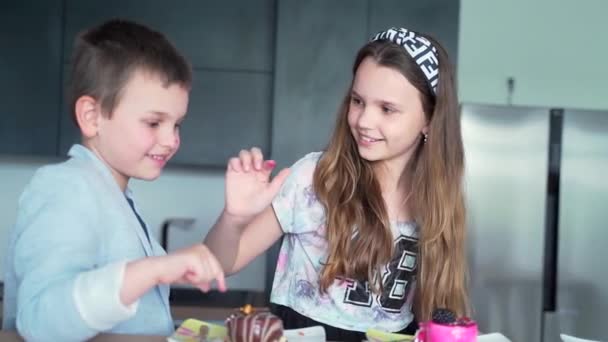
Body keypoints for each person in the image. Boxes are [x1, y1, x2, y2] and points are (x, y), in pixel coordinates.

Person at [205, 27, 470, 341]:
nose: (364, 121)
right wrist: (234, 218)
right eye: (358, 101)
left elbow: (433, 311)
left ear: (430, 119)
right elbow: (218, 265)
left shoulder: (435, 199)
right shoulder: (316, 178)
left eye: (387, 109)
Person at [2, 19, 226, 341]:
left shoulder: (115, 197)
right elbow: (40, 321)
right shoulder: (65, 188)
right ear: (92, 117)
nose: (171, 140)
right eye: (153, 122)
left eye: (177, 125)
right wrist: (157, 269)